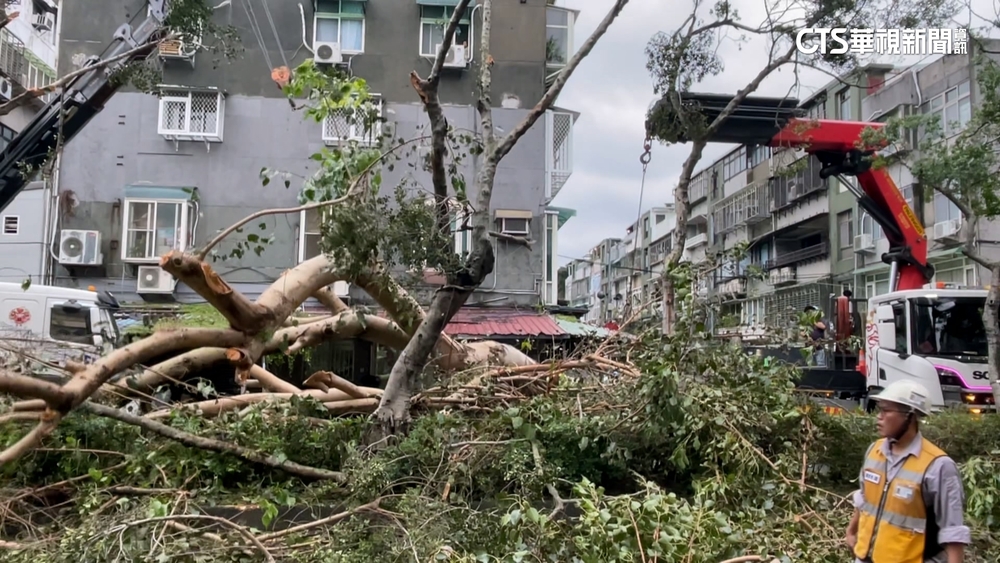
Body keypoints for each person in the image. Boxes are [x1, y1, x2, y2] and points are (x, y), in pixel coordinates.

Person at [845, 380, 970, 563]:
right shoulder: (874, 451)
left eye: (886, 411)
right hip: (865, 557)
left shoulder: (938, 466)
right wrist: (851, 530)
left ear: (909, 416)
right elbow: (865, 500)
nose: (878, 417)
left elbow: (953, 530)